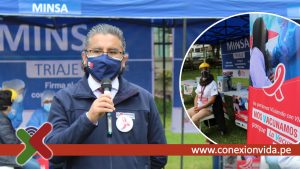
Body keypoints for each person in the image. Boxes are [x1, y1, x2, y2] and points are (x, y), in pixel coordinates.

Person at [45, 24, 167, 169]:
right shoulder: (64, 99)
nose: (104, 58)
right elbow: (53, 152)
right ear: (85, 57)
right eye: (96, 51)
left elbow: (159, 156)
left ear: (123, 59)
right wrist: (88, 119)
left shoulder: (143, 99)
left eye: (113, 52)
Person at [187, 62, 218, 128]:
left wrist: (200, 107)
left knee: (194, 119)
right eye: (202, 69)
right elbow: (197, 96)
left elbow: (212, 100)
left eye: (206, 69)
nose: (204, 71)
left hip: (208, 109)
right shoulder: (200, 82)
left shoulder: (213, 83)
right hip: (199, 107)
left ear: (209, 70)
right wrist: (196, 106)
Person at [250, 17, 274, 88]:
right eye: (264, 28)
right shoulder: (256, 54)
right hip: (262, 95)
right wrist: (273, 85)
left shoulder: (263, 53)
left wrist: (273, 77)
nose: (266, 31)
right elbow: (261, 83)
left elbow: (269, 74)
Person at [0, 89, 20, 169]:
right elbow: (12, 143)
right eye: (13, 103)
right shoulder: (2, 120)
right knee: (35, 166)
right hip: (5, 161)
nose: (15, 106)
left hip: (5, 159)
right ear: (7, 106)